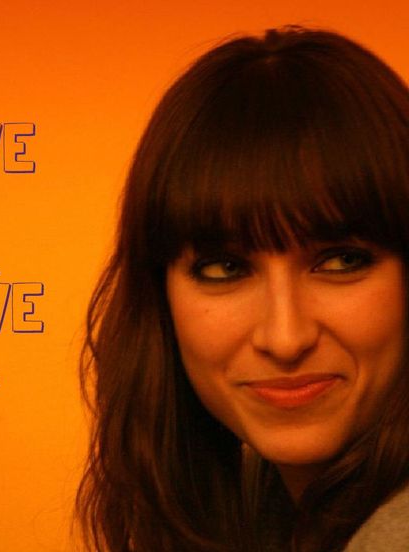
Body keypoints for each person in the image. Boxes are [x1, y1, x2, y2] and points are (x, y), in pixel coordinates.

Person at [77, 26, 409, 552]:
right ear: (158, 301)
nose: (285, 337)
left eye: (342, 261)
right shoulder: (264, 508)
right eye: (224, 269)